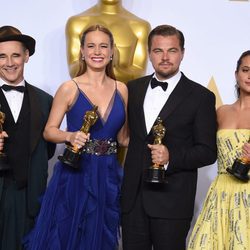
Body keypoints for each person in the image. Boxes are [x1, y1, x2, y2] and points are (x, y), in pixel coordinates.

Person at [23, 24, 128, 250]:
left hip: (109, 174)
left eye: (103, 46)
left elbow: (123, 138)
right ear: (81, 51)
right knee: (66, 235)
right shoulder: (69, 88)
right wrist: (70, 135)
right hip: (76, 173)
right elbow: (49, 131)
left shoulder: (122, 89)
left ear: (112, 52)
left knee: (101, 237)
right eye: (91, 46)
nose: (97, 52)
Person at [121, 24, 218, 250]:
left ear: (182, 53)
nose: (165, 57)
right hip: (132, 202)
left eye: (172, 51)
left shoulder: (201, 96)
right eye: (158, 51)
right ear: (149, 54)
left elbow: (207, 151)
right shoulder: (132, 89)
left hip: (172, 203)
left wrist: (170, 157)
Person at [187, 50, 250, 250]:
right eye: (245, 70)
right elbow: (202, 146)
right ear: (236, 73)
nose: (249, 76)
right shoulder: (222, 112)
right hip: (221, 192)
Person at [0, 25, 55, 250]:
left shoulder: (46, 101)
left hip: (31, 197)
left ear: (26, 56)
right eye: (2, 56)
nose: (9, 62)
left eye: (15, 55)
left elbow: (48, 149)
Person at [66, 0, 151, 83]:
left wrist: (115, 68)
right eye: (91, 46)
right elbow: (74, 70)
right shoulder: (77, 23)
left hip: (124, 95)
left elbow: (139, 74)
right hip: (85, 93)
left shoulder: (140, 27)